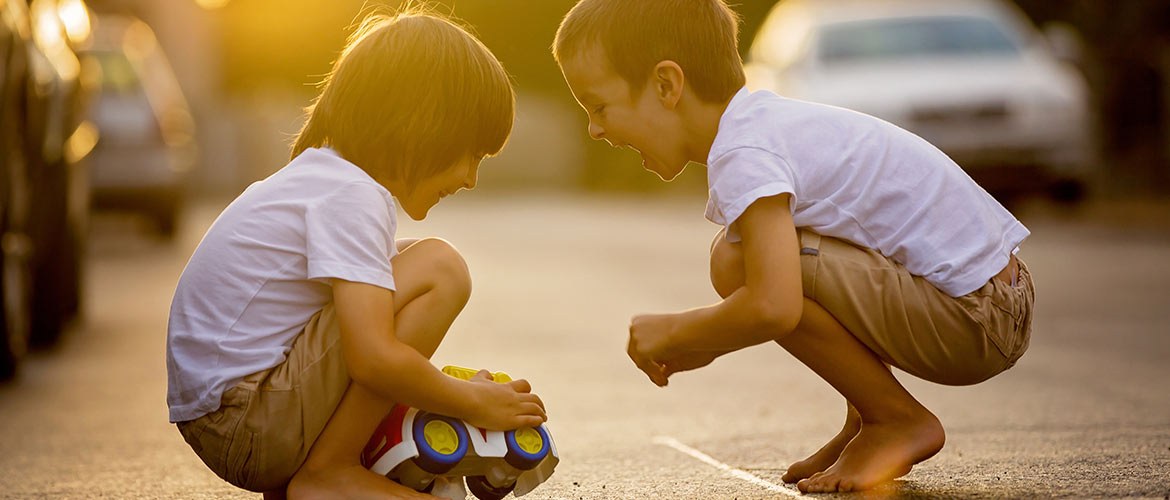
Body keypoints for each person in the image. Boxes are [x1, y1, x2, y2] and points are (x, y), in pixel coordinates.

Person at [553, 0, 1034, 493]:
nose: (595, 128)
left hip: (974, 319)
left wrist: (681, 330)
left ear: (665, 85)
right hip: (992, 300)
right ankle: (870, 420)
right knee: (742, 254)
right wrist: (711, 339)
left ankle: (895, 418)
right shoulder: (765, 124)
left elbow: (773, 305)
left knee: (738, 265)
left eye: (599, 106)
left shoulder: (746, 152)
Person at [166, 8, 546, 499]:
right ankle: (330, 471)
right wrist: (470, 402)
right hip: (248, 422)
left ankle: (324, 469)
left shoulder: (326, 180)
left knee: (405, 264)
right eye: (472, 154)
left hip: (236, 416)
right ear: (425, 125)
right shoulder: (351, 194)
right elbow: (371, 358)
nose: (470, 179)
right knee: (440, 268)